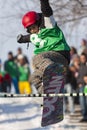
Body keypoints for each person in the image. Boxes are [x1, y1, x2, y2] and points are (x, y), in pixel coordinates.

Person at [17, 0, 70, 94]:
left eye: (33, 27)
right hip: (50, 60)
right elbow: (27, 38)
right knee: (34, 77)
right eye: (30, 30)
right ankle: (47, 94)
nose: (33, 31)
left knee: (37, 58)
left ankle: (53, 70)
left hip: (60, 54)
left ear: (38, 23)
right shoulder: (34, 36)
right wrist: (21, 39)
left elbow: (46, 10)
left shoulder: (48, 24)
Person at [77, 53, 87, 122]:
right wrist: (79, 83)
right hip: (81, 86)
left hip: (86, 86)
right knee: (82, 102)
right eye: (81, 58)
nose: (82, 59)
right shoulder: (80, 66)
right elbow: (79, 76)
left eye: (83, 58)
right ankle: (84, 116)